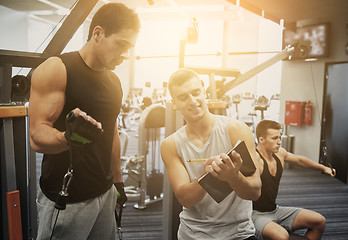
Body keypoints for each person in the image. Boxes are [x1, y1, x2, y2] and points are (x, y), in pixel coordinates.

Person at [29, 3, 140, 239]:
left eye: (130, 48)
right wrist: (67, 138)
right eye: (121, 44)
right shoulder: (57, 69)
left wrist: (117, 182)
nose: (125, 55)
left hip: (104, 192)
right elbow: (37, 136)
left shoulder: (114, 82)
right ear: (97, 33)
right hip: (67, 199)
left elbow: (112, 132)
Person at [160, 68, 261, 240]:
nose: (193, 101)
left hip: (239, 234)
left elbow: (254, 192)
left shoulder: (235, 130)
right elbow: (185, 199)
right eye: (183, 97)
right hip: (193, 235)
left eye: (196, 92)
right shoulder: (170, 144)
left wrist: (233, 177)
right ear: (174, 103)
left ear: (204, 92)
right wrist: (208, 177)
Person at [252, 119, 336, 240]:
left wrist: (323, 168)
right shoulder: (255, 158)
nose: (279, 142)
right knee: (281, 236)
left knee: (319, 221)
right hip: (255, 215)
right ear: (261, 140)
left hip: (275, 210)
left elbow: (300, 161)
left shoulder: (280, 154)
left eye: (279, 137)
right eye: (274, 138)